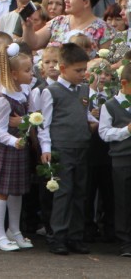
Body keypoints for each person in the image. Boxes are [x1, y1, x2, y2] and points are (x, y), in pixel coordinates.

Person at [39, 42, 93, 255]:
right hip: (62, 148)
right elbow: (44, 123)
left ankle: (75, 236)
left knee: (80, 193)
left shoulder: (84, 90)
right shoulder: (51, 91)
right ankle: (58, 236)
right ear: (63, 69)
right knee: (63, 192)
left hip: (81, 146)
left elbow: (84, 113)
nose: (82, 74)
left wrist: (93, 121)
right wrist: (46, 148)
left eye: (84, 70)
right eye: (78, 70)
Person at [0, 46, 36, 252]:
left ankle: (13, 230)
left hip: (19, 146)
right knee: (2, 192)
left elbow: (32, 116)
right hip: (6, 147)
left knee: (17, 191)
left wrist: (24, 122)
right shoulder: (3, 99)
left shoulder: (23, 93)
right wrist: (13, 141)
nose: (32, 73)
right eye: (27, 70)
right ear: (14, 74)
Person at [24, 0, 115, 52]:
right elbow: (34, 43)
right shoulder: (58, 21)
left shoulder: (104, 29)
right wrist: (28, 27)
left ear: (86, 2)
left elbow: (114, 61)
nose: (66, 0)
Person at [99, 62, 131, 258]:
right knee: (123, 200)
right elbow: (104, 133)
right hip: (122, 159)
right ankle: (125, 241)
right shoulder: (110, 106)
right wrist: (125, 131)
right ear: (125, 83)